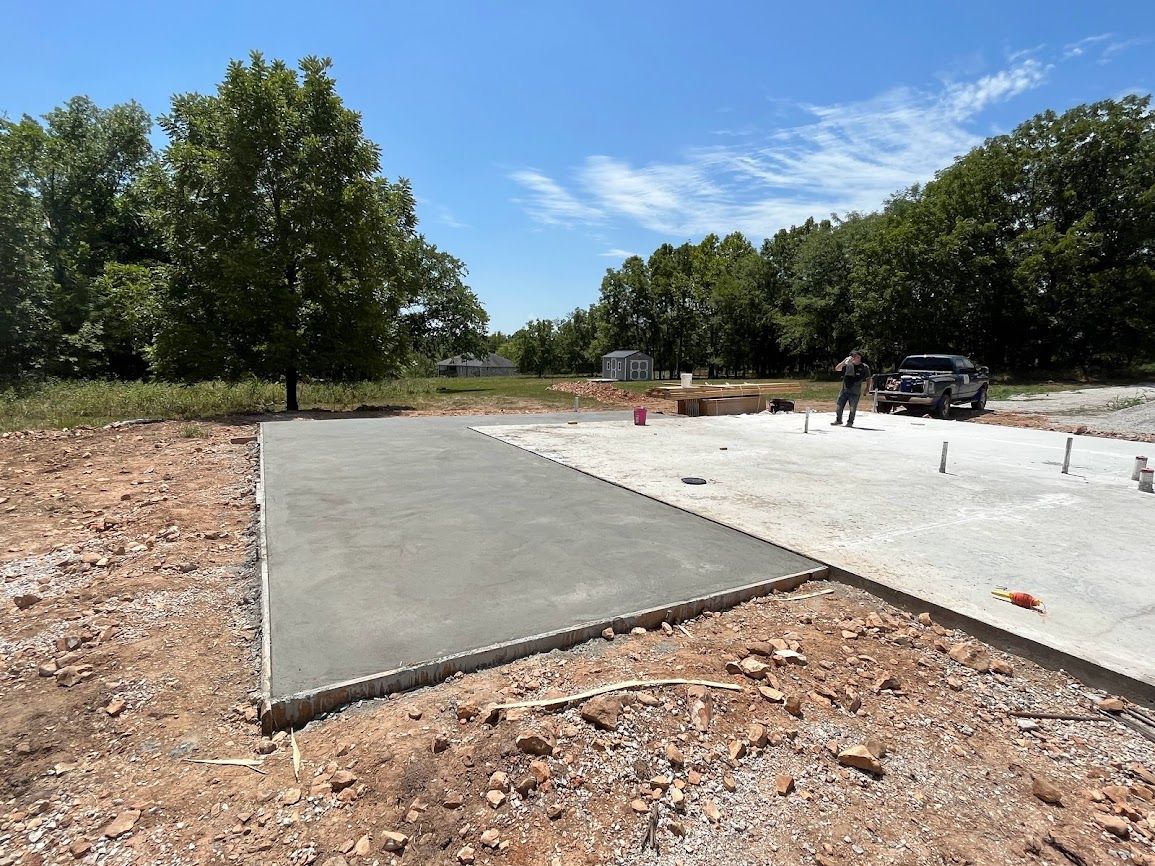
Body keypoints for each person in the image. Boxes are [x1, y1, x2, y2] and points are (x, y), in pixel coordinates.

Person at [832, 350, 871, 427]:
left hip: (855, 391)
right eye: (853, 356)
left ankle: (850, 422)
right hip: (844, 389)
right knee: (839, 406)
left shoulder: (864, 367)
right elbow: (837, 369)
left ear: (859, 357)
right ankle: (838, 420)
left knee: (852, 407)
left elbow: (868, 378)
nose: (854, 358)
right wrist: (844, 362)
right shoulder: (848, 364)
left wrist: (867, 388)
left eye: (856, 356)